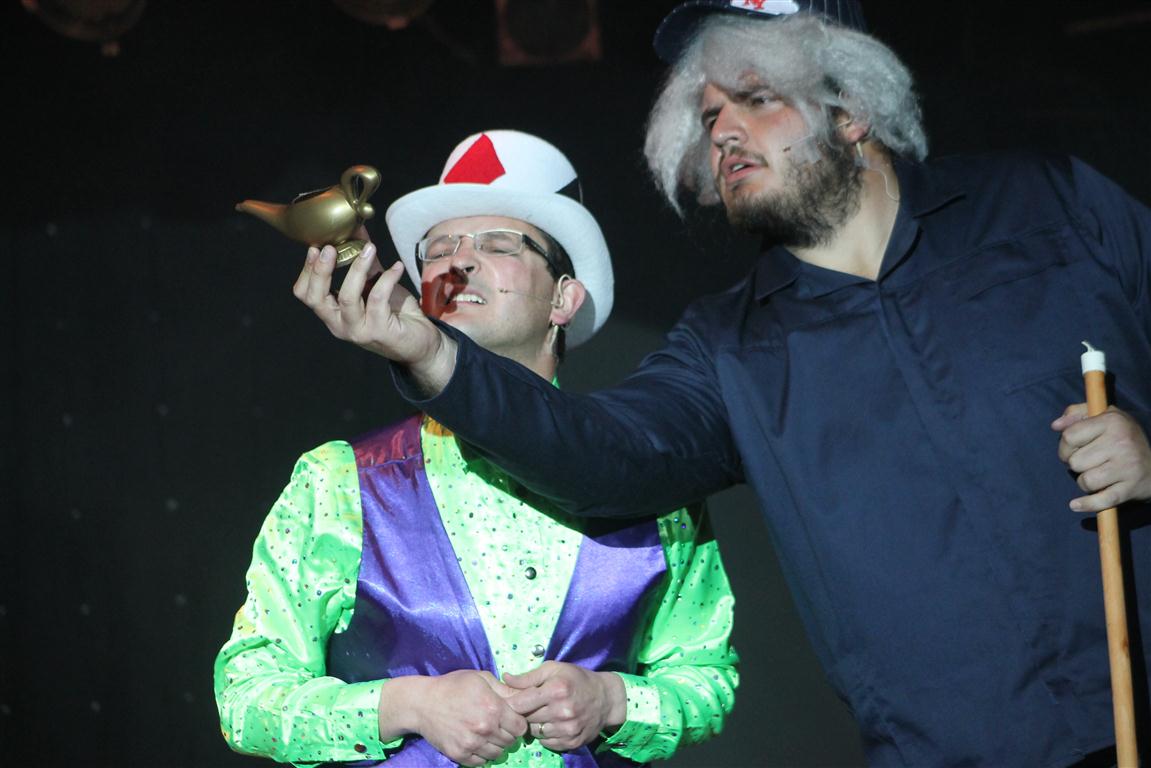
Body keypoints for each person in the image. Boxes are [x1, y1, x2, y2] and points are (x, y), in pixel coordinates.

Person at [294, 3, 1151, 766]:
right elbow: (601, 459)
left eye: (757, 98)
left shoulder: (1049, 207)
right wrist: (428, 353)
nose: (725, 133)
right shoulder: (728, 347)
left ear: (850, 110)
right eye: (709, 117)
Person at [215, 130, 738, 767]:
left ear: (564, 298)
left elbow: (706, 675)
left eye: (497, 244)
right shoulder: (341, 482)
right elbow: (247, 695)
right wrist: (406, 704)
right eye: (438, 251)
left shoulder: (652, 479)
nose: (457, 263)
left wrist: (611, 699)